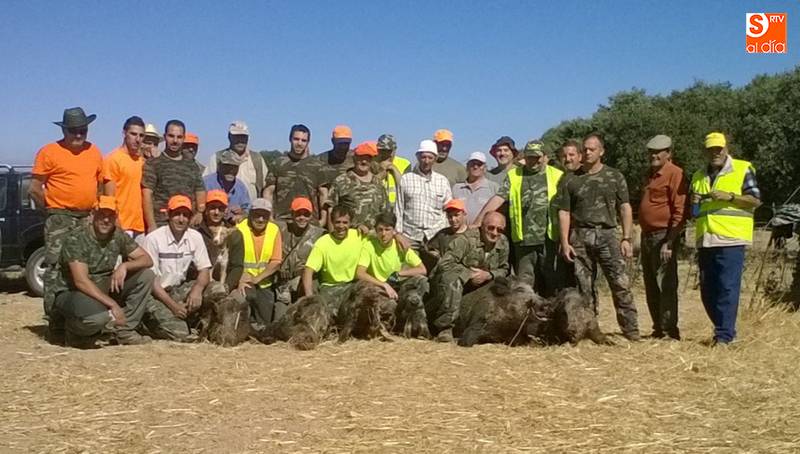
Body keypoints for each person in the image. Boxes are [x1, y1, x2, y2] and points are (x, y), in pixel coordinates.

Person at [557, 132, 640, 341]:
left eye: (592, 149)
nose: (587, 152)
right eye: (584, 149)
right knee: (584, 287)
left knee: (620, 283)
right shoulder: (571, 179)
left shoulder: (614, 176)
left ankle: (631, 331)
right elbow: (564, 212)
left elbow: (625, 207)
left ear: (601, 151)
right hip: (580, 236)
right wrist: (565, 242)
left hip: (608, 235)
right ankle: (590, 330)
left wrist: (627, 238)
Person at [31, 107, 104, 334]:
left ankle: (78, 318)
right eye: (73, 130)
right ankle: (54, 322)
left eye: (83, 130)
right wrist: (51, 212)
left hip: (86, 218)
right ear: (64, 130)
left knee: (84, 268)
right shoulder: (49, 152)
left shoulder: (94, 151)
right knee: (55, 268)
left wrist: (96, 208)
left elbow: (101, 183)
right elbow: (34, 189)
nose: (79, 134)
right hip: (59, 218)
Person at [50, 196, 155, 348]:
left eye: (110, 216)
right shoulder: (76, 239)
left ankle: (124, 330)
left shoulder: (117, 235)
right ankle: (74, 333)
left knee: (146, 275)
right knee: (98, 318)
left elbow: (147, 259)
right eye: (102, 215)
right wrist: (113, 305)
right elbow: (81, 281)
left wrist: (124, 266)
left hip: (104, 286)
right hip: (75, 292)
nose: (106, 220)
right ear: (93, 215)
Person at [690, 132, 761, 345]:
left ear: (726, 148)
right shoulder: (698, 176)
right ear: (705, 152)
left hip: (731, 239)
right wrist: (694, 202)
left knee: (727, 288)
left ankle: (724, 336)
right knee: (707, 290)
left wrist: (730, 197)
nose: (715, 153)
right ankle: (724, 329)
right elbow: (695, 212)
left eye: (718, 149)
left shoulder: (742, 168)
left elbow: (755, 200)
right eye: (711, 149)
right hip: (706, 239)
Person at [473, 140, 564, 296]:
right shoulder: (514, 175)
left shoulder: (557, 175)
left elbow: (566, 207)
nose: (533, 161)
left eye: (537, 157)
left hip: (549, 240)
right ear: (524, 157)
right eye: (529, 157)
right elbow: (498, 198)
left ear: (544, 157)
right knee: (524, 285)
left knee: (552, 281)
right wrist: (478, 221)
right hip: (523, 241)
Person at [427, 212, 509, 342]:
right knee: (452, 280)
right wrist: (469, 274)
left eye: (500, 230)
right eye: (491, 228)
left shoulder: (503, 242)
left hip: (483, 282)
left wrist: (488, 275)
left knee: (504, 285)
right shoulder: (465, 240)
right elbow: (445, 264)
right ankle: (445, 328)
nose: (495, 233)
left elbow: (504, 269)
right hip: (453, 282)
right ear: (482, 226)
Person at [142, 195, 212, 341]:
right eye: (177, 214)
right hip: (156, 295)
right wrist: (173, 306)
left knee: (218, 289)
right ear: (168, 215)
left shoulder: (195, 237)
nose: (181, 219)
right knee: (180, 333)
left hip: (178, 289)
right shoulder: (153, 239)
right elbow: (152, 282)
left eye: (185, 215)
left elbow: (205, 269)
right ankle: (145, 324)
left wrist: (197, 290)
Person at [639, 134, 688, 340]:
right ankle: (658, 328)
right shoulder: (650, 175)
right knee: (651, 285)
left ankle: (669, 331)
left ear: (668, 153)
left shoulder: (675, 174)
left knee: (666, 284)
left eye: (658, 152)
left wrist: (669, 241)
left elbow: (680, 210)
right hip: (647, 236)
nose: (654, 155)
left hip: (663, 236)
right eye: (651, 152)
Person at [356, 211, 428, 318]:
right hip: (378, 286)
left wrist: (399, 273)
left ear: (393, 231)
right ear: (376, 230)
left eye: (387, 229)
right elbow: (360, 273)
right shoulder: (369, 245)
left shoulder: (400, 245)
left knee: (422, 281)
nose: (383, 234)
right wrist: (384, 285)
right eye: (380, 230)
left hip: (395, 282)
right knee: (389, 305)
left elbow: (422, 269)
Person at [226, 198, 283, 328]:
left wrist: (257, 278)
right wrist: (239, 278)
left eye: (265, 216)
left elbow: (276, 261)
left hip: (264, 283)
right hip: (242, 282)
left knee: (265, 324)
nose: (261, 219)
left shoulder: (274, 230)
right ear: (250, 214)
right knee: (241, 310)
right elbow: (230, 261)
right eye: (257, 215)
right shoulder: (239, 229)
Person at [142, 120, 206, 231]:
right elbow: (147, 195)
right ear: (165, 137)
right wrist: (151, 225)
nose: (175, 141)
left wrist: (200, 212)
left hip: (186, 224)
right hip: (161, 224)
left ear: (183, 138)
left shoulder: (192, 165)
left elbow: (200, 190)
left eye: (179, 137)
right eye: (171, 136)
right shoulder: (154, 163)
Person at [302, 205, 363, 316]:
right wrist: (309, 298)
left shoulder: (358, 235)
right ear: (332, 222)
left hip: (352, 286)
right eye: (337, 222)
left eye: (345, 222)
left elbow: (381, 234)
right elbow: (308, 270)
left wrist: (396, 235)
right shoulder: (323, 242)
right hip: (330, 288)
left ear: (350, 223)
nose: (341, 226)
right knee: (325, 315)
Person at [395, 140, 453, 251]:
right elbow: (399, 209)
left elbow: (448, 209)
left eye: (430, 158)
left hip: (435, 238)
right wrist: (398, 234)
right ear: (417, 157)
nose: (426, 161)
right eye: (423, 157)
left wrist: (444, 232)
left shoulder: (442, 181)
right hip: (410, 237)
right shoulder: (406, 179)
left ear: (435, 159)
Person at [326, 141, 389, 233]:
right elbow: (331, 209)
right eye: (360, 158)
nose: (364, 161)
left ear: (372, 160)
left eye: (367, 158)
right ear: (354, 159)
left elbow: (385, 212)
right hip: (347, 235)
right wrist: (332, 235)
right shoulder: (341, 181)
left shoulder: (378, 183)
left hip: (373, 236)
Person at [263, 124, 321, 221]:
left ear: (308, 142)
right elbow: (268, 191)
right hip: (283, 220)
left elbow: (323, 194)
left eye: (303, 140)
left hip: (309, 221)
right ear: (290, 139)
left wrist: (322, 220)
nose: (299, 143)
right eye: (296, 139)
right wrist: (270, 217)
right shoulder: (278, 163)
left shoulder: (317, 166)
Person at [274, 197, 325, 306]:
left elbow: (338, 232)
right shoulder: (280, 228)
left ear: (311, 216)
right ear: (292, 214)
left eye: (306, 214)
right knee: (280, 313)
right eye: (298, 214)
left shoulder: (319, 234)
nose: (302, 218)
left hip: (304, 282)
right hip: (283, 285)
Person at [103, 116, 147, 239]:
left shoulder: (142, 161)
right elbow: (109, 198)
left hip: (140, 227)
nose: (137, 139)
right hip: (121, 225)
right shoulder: (113, 159)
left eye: (141, 135)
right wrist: (116, 224)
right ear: (124, 133)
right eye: (133, 134)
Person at [204, 121, 267, 201]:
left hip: (250, 207)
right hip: (221, 207)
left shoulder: (257, 159)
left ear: (248, 138)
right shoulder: (217, 158)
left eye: (243, 137)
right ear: (229, 137)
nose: (240, 140)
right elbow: (205, 186)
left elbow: (265, 188)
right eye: (236, 136)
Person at [203, 150, 251, 223]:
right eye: (227, 166)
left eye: (235, 167)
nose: (231, 170)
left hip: (231, 226)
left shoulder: (241, 187)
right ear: (219, 166)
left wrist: (242, 213)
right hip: (207, 224)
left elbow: (248, 209)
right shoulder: (206, 183)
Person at [451, 152, 498, 225]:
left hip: (483, 230)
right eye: (472, 164)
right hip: (461, 230)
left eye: (479, 164)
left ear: (485, 168)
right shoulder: (456, 188)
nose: (475, 167)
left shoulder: (494, 187)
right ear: (467, 166)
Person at [424, 199, 469, 272]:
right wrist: (436, 256)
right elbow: (430, 249)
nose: (453, 219)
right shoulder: (442, 234)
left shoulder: (473, 234)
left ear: (464, 214)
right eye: (450, 216)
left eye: (456, 215)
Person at [196, 189, 230, 277]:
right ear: (206, 209)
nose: (216, 212)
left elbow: (236, 266)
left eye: (220, 209)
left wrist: (227, 285)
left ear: (225, 210)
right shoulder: (197, 231)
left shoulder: (232, 232)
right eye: (212, 208)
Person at [377, 134, 411, 207]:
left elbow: (406, 189)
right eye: (382, 150)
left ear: (394, 149)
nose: (385, 154)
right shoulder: (372, 163)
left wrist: (393, 168)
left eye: (388, 151)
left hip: (397, 207)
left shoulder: (405, 164)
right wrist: (381, 173)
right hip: (378, 207)